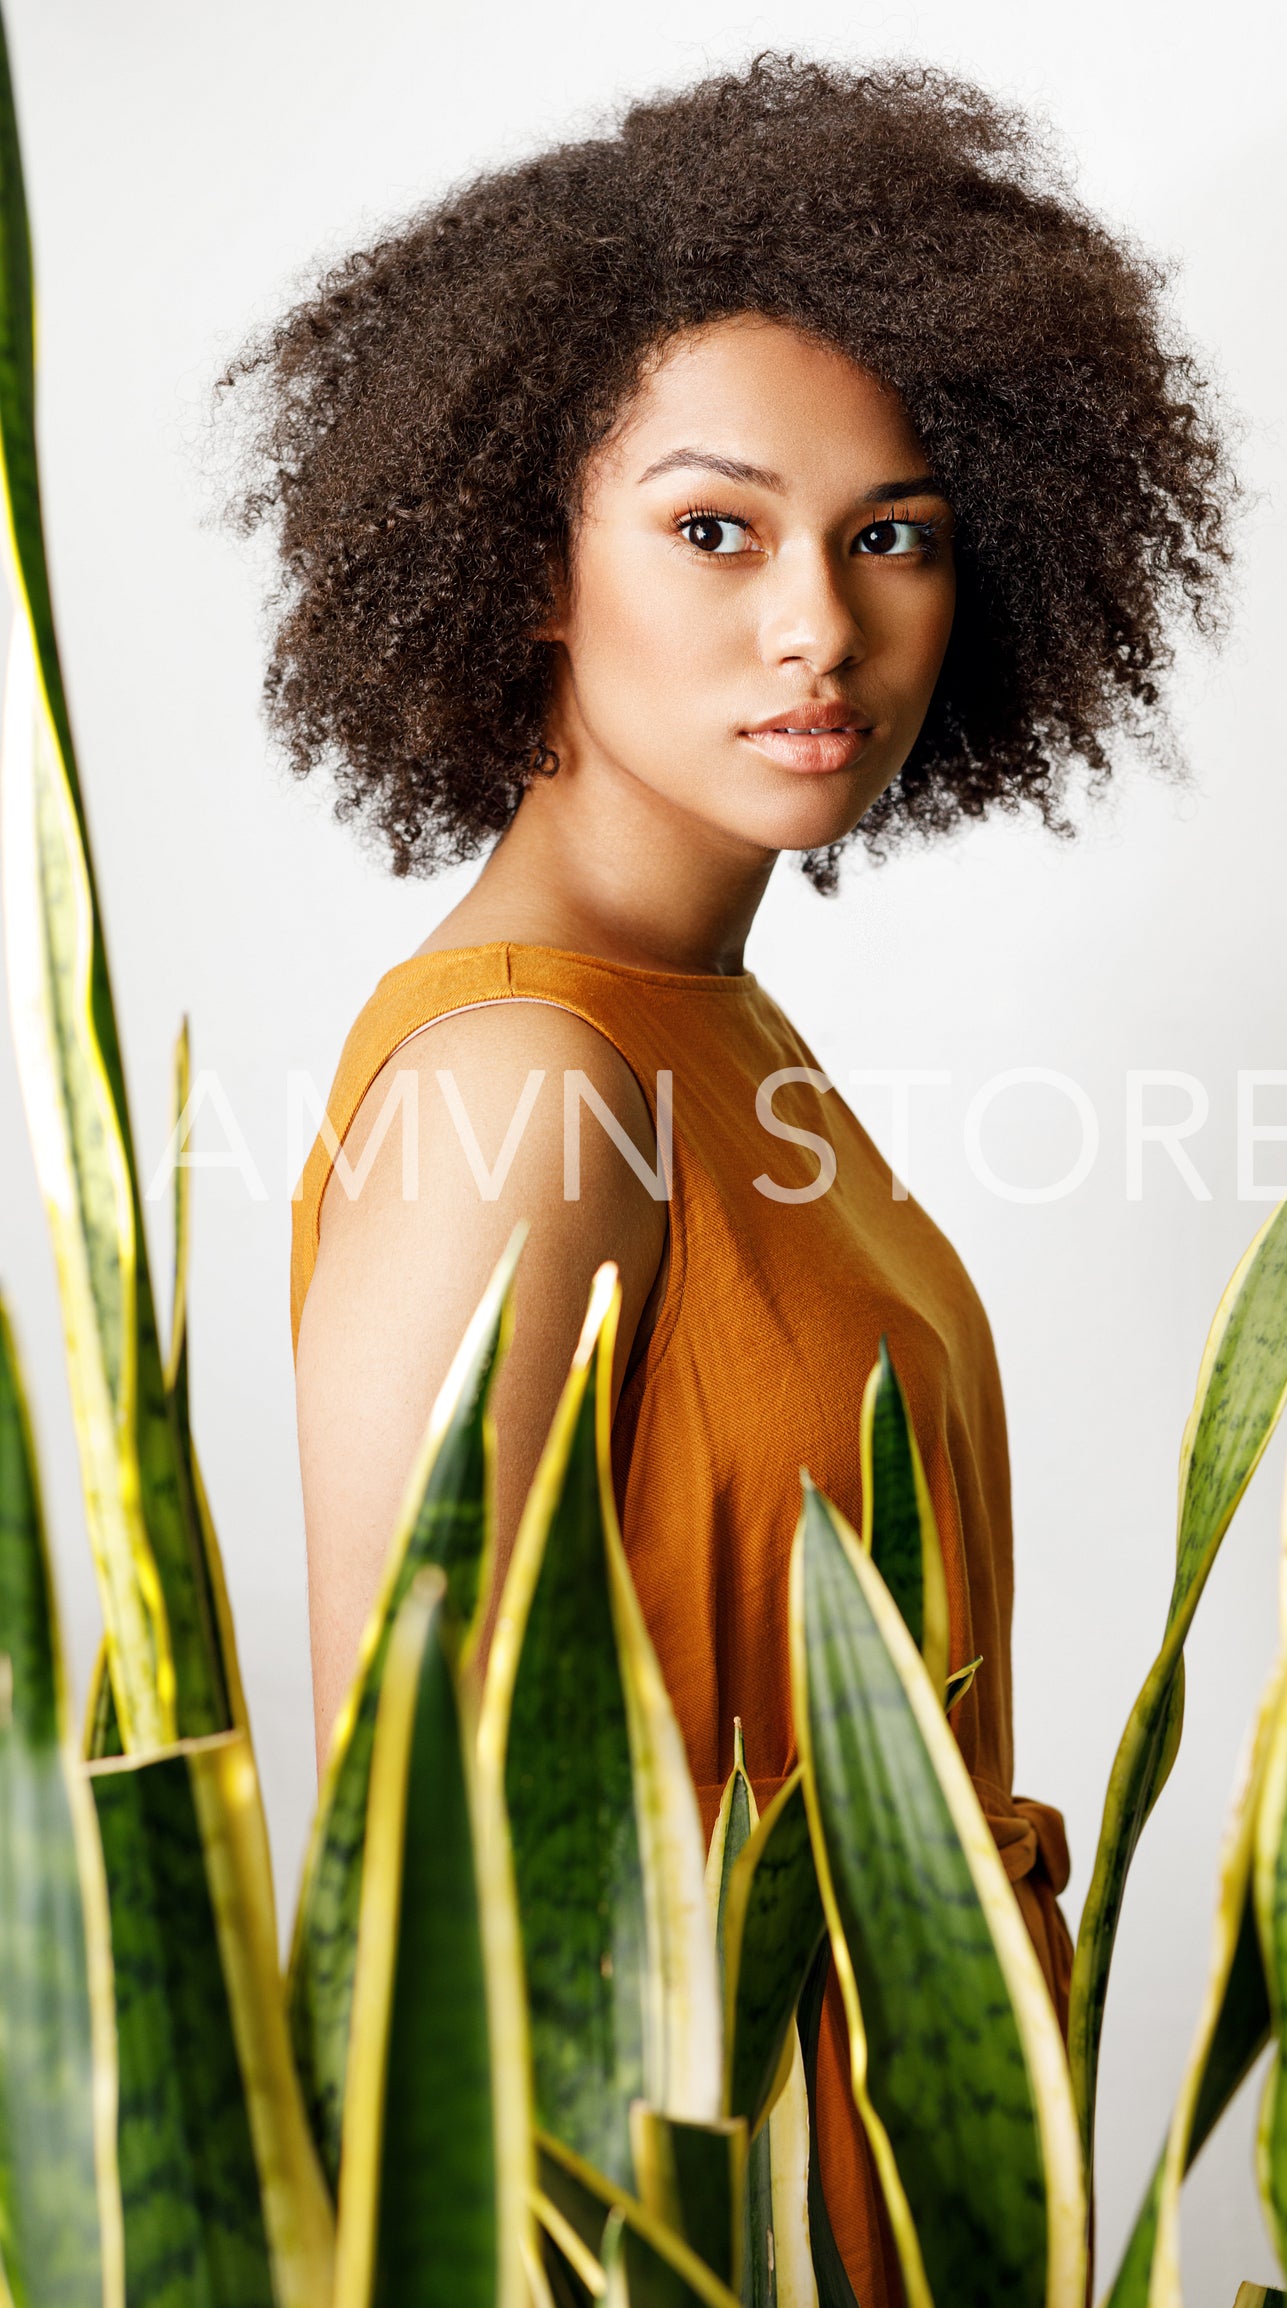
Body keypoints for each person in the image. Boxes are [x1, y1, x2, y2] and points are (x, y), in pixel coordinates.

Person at [228, 55, 1231, 2304]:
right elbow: (430, 1892)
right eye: (715, 528)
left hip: (896, 2166)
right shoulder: (530, 1079)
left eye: (891, 532)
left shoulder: (717, 1034)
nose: (821, 624)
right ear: (522, 566)